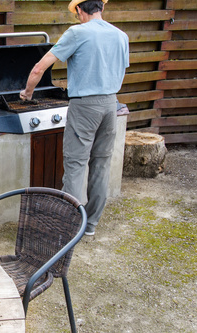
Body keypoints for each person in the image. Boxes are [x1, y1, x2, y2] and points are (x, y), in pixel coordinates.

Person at [20, 0, 129, 236]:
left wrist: (27, 93)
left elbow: (40, 68)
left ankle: (69, 228)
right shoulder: (121, 36)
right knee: (100, 164)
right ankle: (90, 226)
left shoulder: (77, 33)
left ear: (80, 10)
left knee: (76, 165)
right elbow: (119, 69)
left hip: (85, 106)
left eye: (76, 13)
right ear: (102, 7)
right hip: (111, 104)